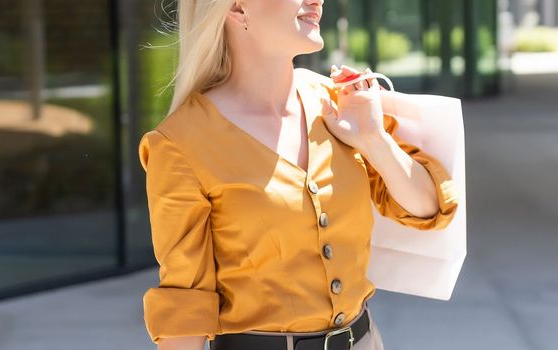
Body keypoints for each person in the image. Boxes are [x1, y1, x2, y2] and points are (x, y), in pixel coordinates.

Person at [137, 0, 460, 349]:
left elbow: (430, 210)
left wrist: (374, 140)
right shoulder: (181, 144)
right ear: (237, 9)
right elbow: (186, 304)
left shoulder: (338, 104)